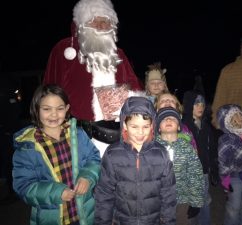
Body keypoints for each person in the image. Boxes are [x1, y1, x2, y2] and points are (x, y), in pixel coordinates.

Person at [43, 0, 143, 157]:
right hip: (78, 137)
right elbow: (48, 92)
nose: (101, 26)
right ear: (83, 23)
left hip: (117, 138)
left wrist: (129, 100)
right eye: (95, 20)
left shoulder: (119, 54)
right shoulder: (64, 49)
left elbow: (135, 88)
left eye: (106, 21)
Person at [12, 84, 101, 225]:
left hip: (85, 214)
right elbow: (23, 186)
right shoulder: (27, 148)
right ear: (36, 109)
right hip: (51, 218)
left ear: (66, 109)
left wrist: (87, 177)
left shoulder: (78, 135)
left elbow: (94, 159)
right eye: (46, 109)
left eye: (60, 109)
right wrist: (56, 193)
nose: (54, 114)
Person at [94, 96, 176, 225]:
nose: (140, 132)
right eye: (134, 126)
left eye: (146, 126)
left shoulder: (161, 154)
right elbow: (104, 193)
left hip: (153, 220)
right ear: (124, 125)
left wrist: (168, 221)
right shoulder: (112, 154)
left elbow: (168, 194)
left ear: (153, 126)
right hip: (122, 220)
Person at [155, 107, 205, 225]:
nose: (168, 120)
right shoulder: (152, 148)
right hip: (158, 201)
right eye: (164, 119)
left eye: (172, 118)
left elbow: (196, 175)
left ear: (178, 127)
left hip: (182, 200)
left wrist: (196, 203)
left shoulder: (187, 148)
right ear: (158, 128)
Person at [182, 91, 219, 225]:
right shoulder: (184, 127)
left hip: (204, 173)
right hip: (190, 175)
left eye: (202, 103)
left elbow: (211, 150)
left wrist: (213, 168)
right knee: (193, 205)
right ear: (189, 105)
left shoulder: (206, 126)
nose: (200, 106)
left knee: (204, 202)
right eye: (196, 103)